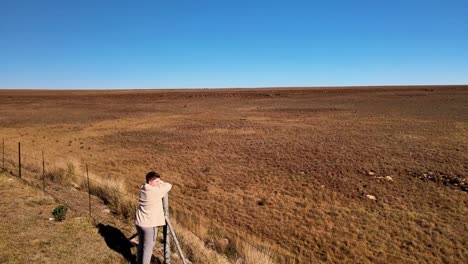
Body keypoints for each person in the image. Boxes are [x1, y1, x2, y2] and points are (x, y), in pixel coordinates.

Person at [135, 171, 172, 264]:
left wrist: (157, 183)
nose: (158, 183)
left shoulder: (143, 189)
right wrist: (162, 183)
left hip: (139, 222)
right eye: (156, 182)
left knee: (141, 245)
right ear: (150, 182)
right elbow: (168, 186)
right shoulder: (154, 192)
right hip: (149, 225)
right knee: (148, 249)